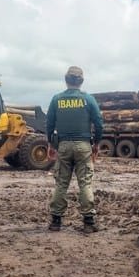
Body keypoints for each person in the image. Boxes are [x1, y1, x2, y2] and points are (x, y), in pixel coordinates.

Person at [46, 65, 104, 233]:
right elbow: (99, 123)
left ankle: (56, 221)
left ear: (66, 80)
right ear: (82, 81)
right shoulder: (88, 99)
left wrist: (50, 144)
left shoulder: (56, 99)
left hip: (63, 146)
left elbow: (49, 124)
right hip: (83, 146)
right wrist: (96, 144)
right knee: (85, 183)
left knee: (61, 183)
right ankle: (88, 222)